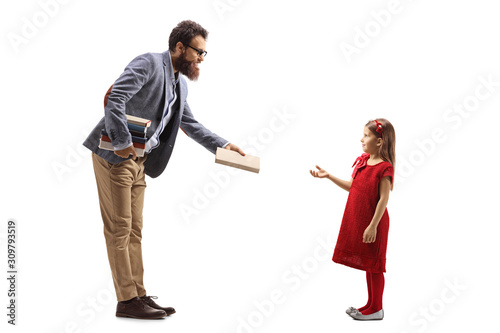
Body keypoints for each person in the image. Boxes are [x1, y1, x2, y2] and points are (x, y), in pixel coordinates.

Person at [83, 20, 245, 319]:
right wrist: (120, 142)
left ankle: (138, 294)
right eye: (198, 52)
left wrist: (223, 146)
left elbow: (190, 124)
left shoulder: (179, 82)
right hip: (115, 155)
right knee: (120, 229)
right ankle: (126, 300)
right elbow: (115, 98)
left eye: (204, 54)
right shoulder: (148, 63)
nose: (201, 59)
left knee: (135, 229)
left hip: (141, 160)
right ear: (179, 47)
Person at [310, 118, 396, 321]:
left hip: (375, 223)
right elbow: (352, 187)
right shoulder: (363, 161)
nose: (362, 139)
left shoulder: (384, 168)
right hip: (361, 220)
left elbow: (384, 199)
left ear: (380, 141)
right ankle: (370, 304)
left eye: (366, 135)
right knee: (368, 265)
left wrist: (373, 225)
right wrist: (329, 176)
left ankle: (377, 308)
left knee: (375, 265)